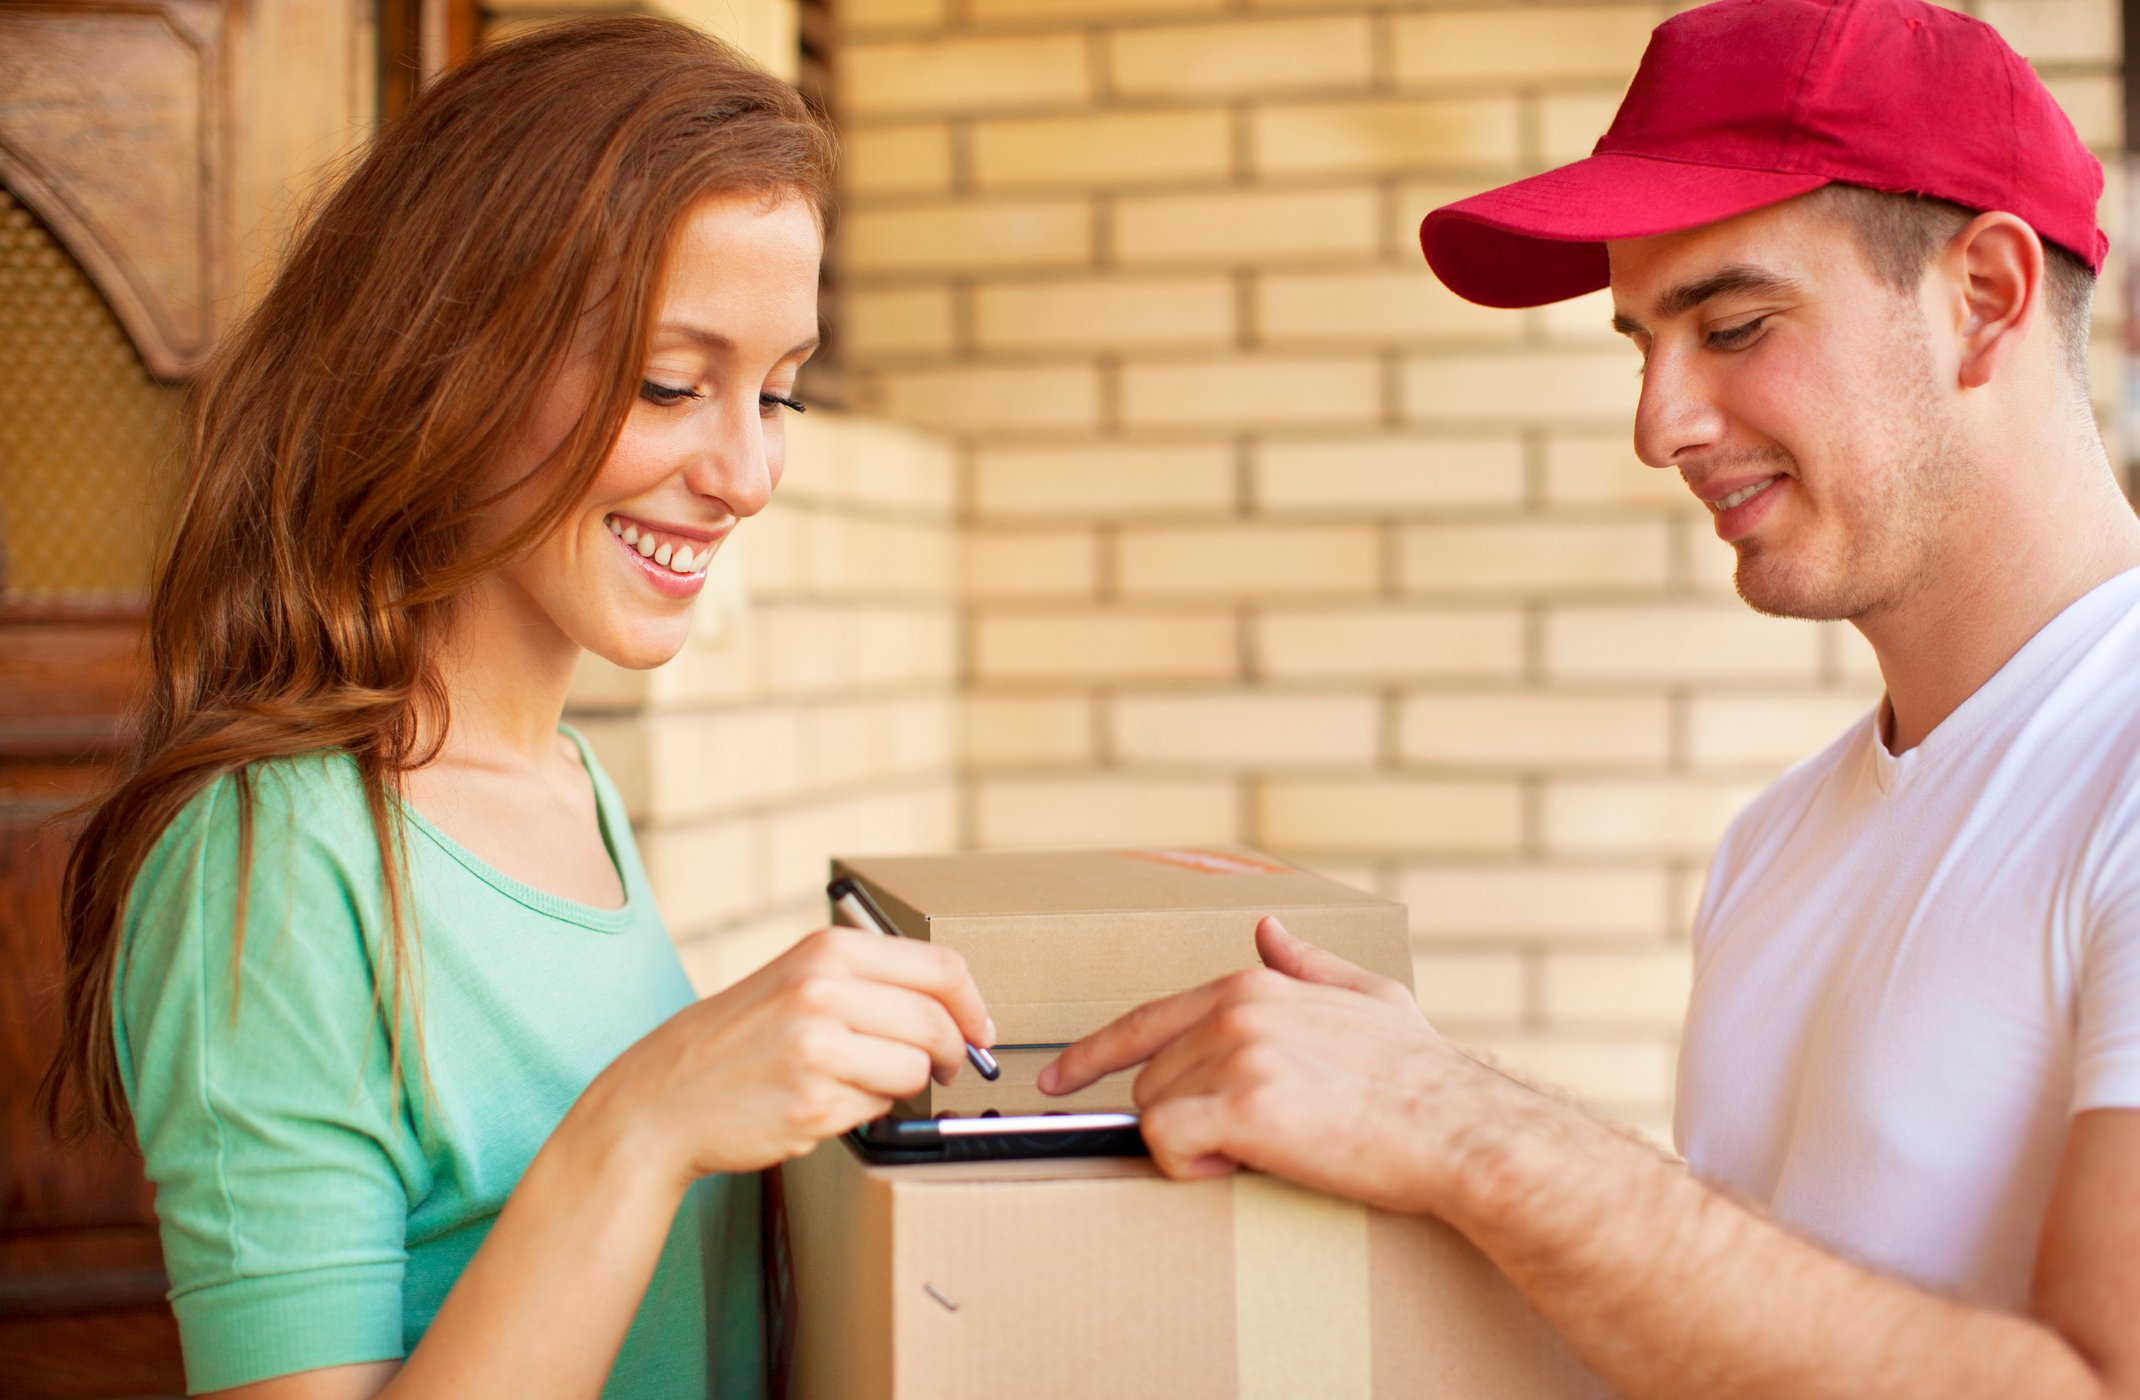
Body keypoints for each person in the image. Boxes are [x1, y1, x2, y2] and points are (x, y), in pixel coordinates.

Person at [1042, 0, 2140, 1393]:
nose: (1657, 425)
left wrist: (1477, 1133)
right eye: (1642, 346)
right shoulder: (1776, 846)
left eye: (1733, 326)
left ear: (1983, 297)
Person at [42, 18, 995, 1399]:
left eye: (779, 394)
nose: (745, 475)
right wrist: (646, 1119)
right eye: (672, 384)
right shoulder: (272, 861)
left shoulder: (564, 785)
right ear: (449, 358)